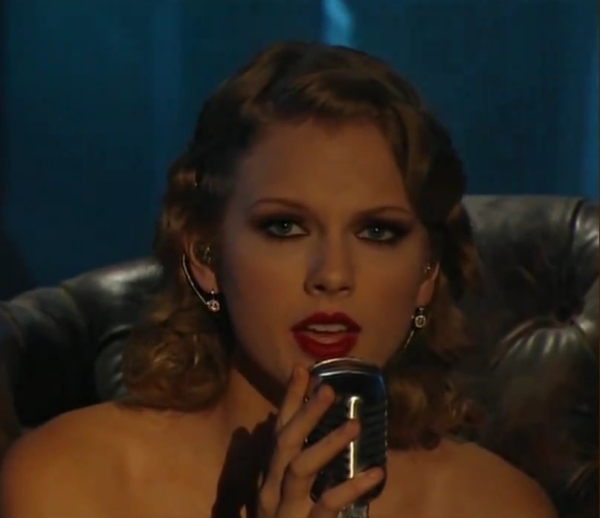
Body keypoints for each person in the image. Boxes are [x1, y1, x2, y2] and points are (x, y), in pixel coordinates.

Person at [0, 41, 557, 518]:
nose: (333, 275)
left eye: (378, 232)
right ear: (206, 257)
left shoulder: (500, 506)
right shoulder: (71, 482)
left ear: (427, 273)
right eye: (284, 227)